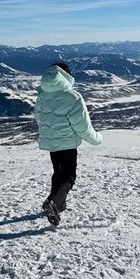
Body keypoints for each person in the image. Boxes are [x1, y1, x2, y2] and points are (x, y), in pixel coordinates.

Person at [34, 62, 102, 225]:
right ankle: (54, 203)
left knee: (58, 173)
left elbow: (39, 119)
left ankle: (57, 202)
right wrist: (97, 138)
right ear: (66, 76)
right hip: (68, 144)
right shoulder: (73, 97)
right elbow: (83, 127)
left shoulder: (42, 95)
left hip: (51, 143)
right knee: (69, 176)